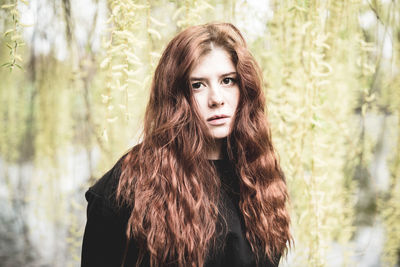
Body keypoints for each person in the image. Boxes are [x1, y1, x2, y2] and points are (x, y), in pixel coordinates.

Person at [81, 22, 292, 267]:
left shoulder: (261, 175)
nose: (216, 99)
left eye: (227, 81)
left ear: (244, 87)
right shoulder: (128, 186)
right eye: (198, 85)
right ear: (175, 98)